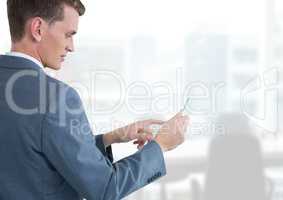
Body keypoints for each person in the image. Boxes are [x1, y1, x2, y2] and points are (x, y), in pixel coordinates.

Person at [0, 0, 189, 199]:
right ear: (37, 28)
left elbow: (30, 156)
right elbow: (105, 189)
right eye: (68, 35)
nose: (71, 47)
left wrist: (112, 137)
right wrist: (161, 146)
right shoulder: (58, 98)